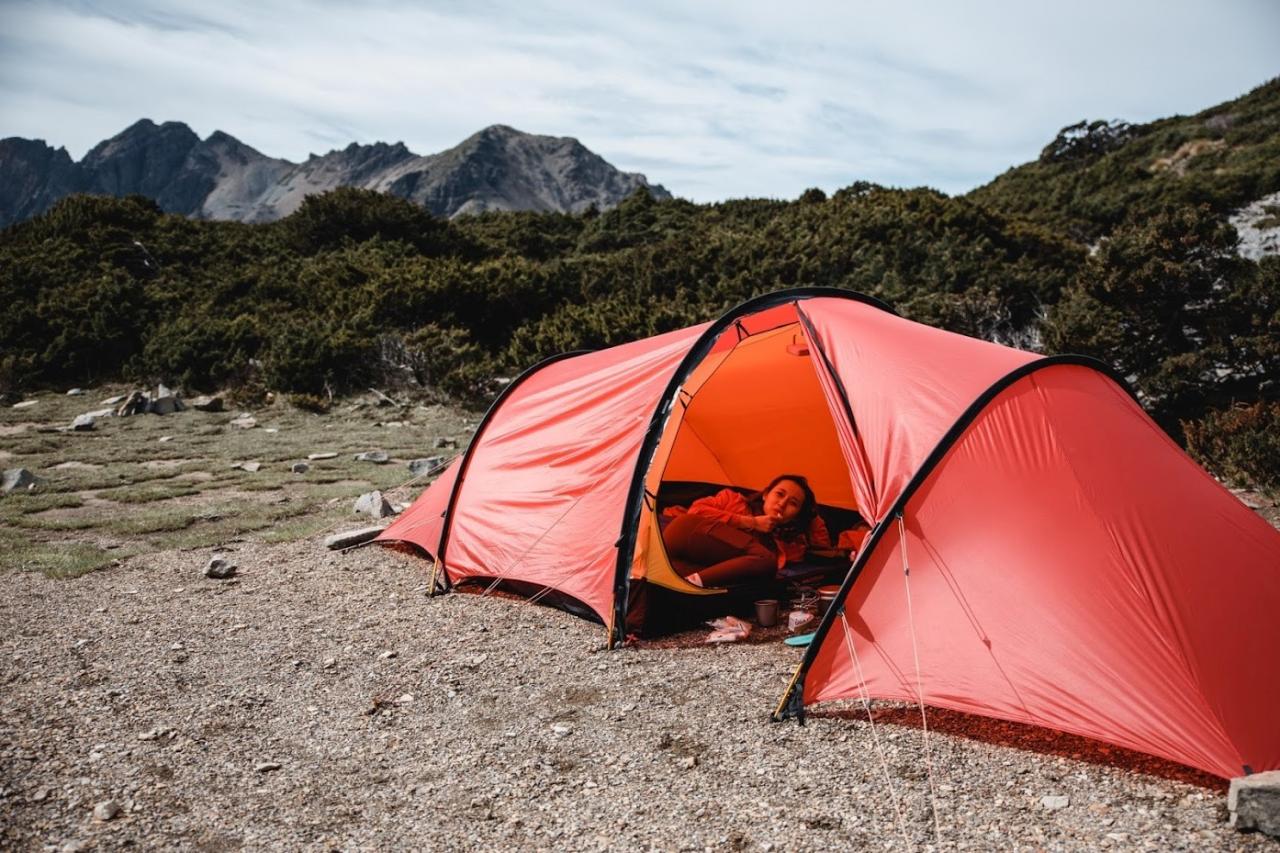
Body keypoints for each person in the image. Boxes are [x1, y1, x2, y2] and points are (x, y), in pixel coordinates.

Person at [661, 474, 830, 588]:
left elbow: (822, 553)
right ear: (765, 495)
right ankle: (688, 587)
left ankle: (683, 586)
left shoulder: (786, 544)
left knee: (755, 572)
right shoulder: (733, 500)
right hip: (687, 533)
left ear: (796, 515)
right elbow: (696, 512)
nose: (783, 503)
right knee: (766, 560)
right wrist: (751, 523)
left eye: (793, 503)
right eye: (779, 494)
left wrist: (812, 516)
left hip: (688, 559)